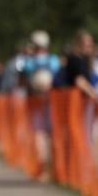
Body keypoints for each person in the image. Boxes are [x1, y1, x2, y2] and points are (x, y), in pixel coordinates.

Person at [22, 30, 60, 179]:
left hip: (36, 101)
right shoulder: (53, 60)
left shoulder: (29, 62)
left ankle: (43, 169)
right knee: (50, 135)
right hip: (51, 101)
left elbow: (25, 78)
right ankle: (54, 169)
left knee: (40, 135)